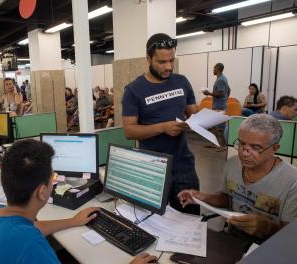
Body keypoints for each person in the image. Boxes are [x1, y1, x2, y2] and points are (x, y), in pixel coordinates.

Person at [0, 139, 157, 264]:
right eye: (53, 176)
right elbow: (30, 236)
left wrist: (73, 221)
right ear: (42, 192)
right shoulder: (32, 245)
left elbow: (32, 229)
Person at [178, 114, 297, 241]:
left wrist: (266, 227)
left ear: (274, 149)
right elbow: (227, 199)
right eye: (241, 143)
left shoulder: (292, 181)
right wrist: (202, 197)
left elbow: (290, 236)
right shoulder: (232, 164)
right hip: (232, 238)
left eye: (255, 147)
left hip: (268, 245)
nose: (244, 152)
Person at [121, 33, 199, 214]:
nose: (168, 67)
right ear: (148, 58)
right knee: (153, 220)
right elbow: (129, 131)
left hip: (183, 163)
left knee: (189, 216)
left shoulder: (182, 81)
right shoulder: (134, 90)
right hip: (152, 166)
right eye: (162, 62)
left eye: (171, 61)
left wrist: (207, 118)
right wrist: (163, 127)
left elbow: (193, 113)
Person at [203, 63, 230, 151]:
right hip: (218, 105)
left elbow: (221, 93)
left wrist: (209, 93)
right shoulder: (222, 78)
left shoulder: (221, 80)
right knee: (214, 126)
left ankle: (223, 146)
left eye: (214, 68)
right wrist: (225, 99)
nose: (213, 70)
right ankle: (215, 143)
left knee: (219, 128)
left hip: (219, 107)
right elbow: (229, 89)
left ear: (218, 69)